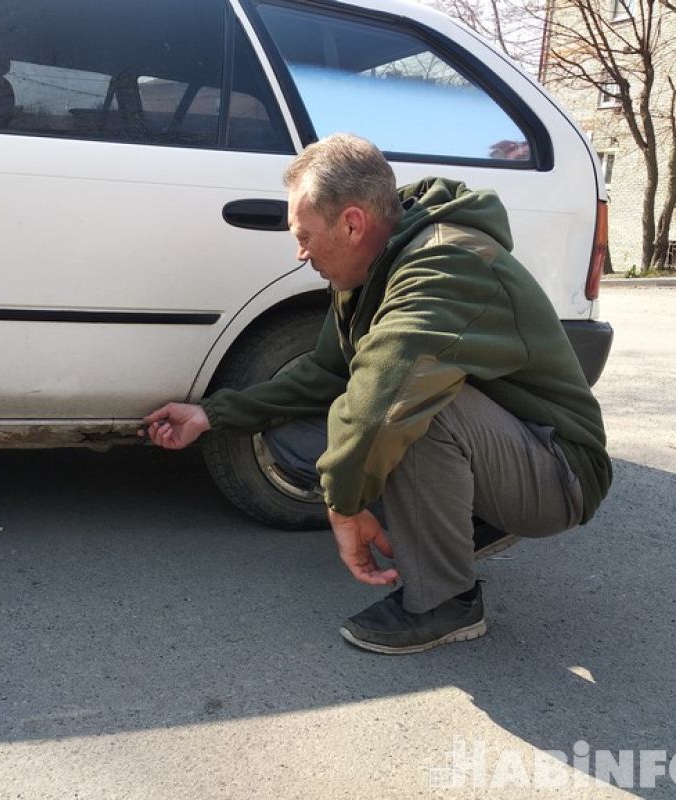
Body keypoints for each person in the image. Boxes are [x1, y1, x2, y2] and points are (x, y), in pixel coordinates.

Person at [143, 133, 611, 655]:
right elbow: (326, 372)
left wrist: (343, 508)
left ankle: (446, 602)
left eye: (304, 235)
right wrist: (213, 414)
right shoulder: (370, 265)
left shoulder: (443, 267)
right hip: (511, 447)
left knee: (406, 406)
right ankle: (465, 524)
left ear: (351, 223)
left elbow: (377, 409)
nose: (300, 254)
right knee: (309, 428)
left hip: (559, 471)